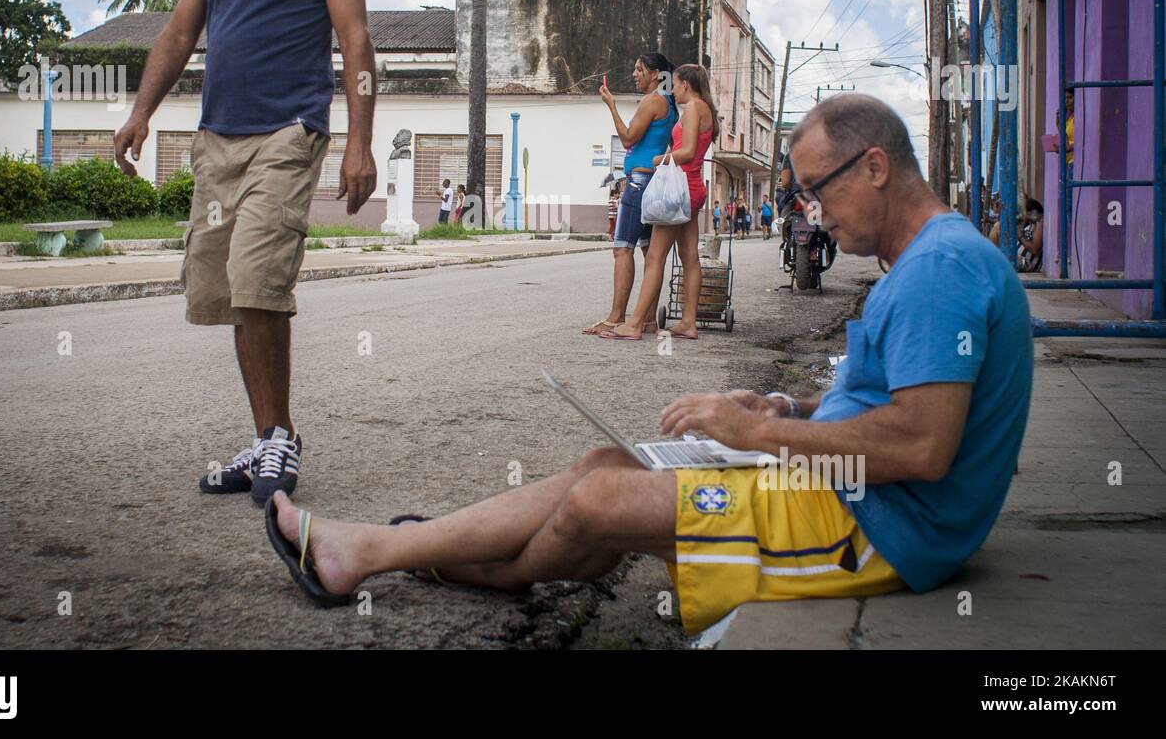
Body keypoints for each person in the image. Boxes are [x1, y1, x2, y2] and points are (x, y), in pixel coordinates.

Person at [263, 94, 1034, 637]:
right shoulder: (931, 261)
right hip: (839, 495)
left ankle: (438, 560)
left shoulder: (939, 272)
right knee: (604, 462)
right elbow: (894, 409)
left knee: (602, 501)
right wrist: (787, 413)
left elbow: (921, 448)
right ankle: (398, 550)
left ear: (873, 168)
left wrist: (751, 435)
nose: (809, 213)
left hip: (874, 530)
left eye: (814, 192)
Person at [113, 0, 376, 504]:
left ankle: (279, 441)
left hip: (288, 133)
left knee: (259, 278)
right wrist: (141, 112)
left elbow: (355, 41)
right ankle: (267, 439)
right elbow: (176, 35)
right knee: (229, 290)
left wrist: (360, 143)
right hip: (217, 139)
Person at [600, 63, 716, 341]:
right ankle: (688, 322)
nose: (672, 90)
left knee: (654, 257)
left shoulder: (694, 109)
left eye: (675, 84)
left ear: (686, 85)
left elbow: (686, 152)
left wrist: (658, 159)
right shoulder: (706, 110)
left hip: (680, 188)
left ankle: (635, 323)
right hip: (694, 188)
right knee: (689, 257)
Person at [584, 53, 678, 336]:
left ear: (656, 74)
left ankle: (615, 318)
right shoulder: (670, 104)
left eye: (640, 69)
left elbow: (627, 138)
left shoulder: (652, 101)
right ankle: (648, 319)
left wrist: (611, 106)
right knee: (650, 252)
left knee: (622, 248)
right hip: (654, 184)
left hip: (638, 183)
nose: (635, 73)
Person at [1017, 198, 1044, 272]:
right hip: (1019, 259)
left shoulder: (1039, 224)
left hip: (1028, 264)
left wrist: (1021, 237)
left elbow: (1034, 249)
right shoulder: (1030, 225)